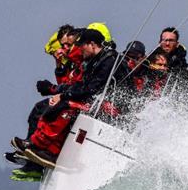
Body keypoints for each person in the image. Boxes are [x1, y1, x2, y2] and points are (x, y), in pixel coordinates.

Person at [10, 28, 117, 175]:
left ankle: (49, 151)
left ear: (92, 44)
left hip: (110, 109)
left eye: (82, 45)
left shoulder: (108, 61)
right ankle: (39, 146)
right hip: (94, 102)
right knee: (53, 106)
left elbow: (92, 89)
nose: (79, 49)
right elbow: (83, 86)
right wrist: (63, 93)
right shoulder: (94, 61)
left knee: (65, 107)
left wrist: (63, 95)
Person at [152, 27, 188, 102]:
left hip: (170, 101)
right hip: (149, 97)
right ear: (159, 42)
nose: (167, 43)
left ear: (177, 44)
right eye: (165, 40)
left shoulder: (182, 64)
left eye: (171, 41)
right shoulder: (150, 58)